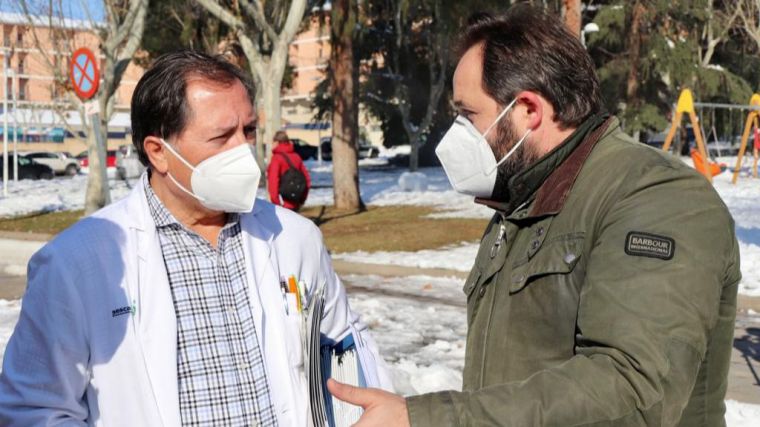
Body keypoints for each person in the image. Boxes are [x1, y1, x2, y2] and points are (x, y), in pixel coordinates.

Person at [328, 5, 740, 426]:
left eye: (468, 114)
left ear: (528, 110)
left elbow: (633, 389)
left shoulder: (656, 197)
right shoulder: (524, 200)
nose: (455, 133)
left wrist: (430, 419)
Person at [0, 50, 391, 426]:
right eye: (222, 137)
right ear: (159, 152)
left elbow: (348, 352)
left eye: (249, 130)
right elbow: (35, 410)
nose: (244, 151)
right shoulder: (75, 264)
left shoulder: (294, 238)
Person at [267, 130, 311, 211]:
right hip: (296, 201)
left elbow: (273, 182)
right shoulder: (296, 156)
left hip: (283, 203)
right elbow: (307, 180)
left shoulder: (276, 158)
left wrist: (276, 203)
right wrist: (302, 199)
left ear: (277, 142)